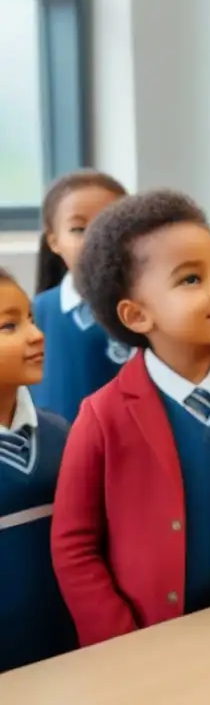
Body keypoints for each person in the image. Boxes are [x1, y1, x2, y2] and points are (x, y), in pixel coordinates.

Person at [50, 190, 210, 647]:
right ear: (136, 314)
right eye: (191, 280)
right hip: (140, 644)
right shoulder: (101, 418)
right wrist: (119, 640)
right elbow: (74, 545)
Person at [0, 267, 77, 672]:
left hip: (68, 653)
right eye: (9, 326)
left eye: (30, 318)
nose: (35, 334)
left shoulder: (60, 432)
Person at [30, 170, 130, 422]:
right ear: (54, 241)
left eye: (110, 226)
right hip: (58, 457)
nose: (96, 239)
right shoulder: (34, 315)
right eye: (79, 229)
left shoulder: (153, 309)